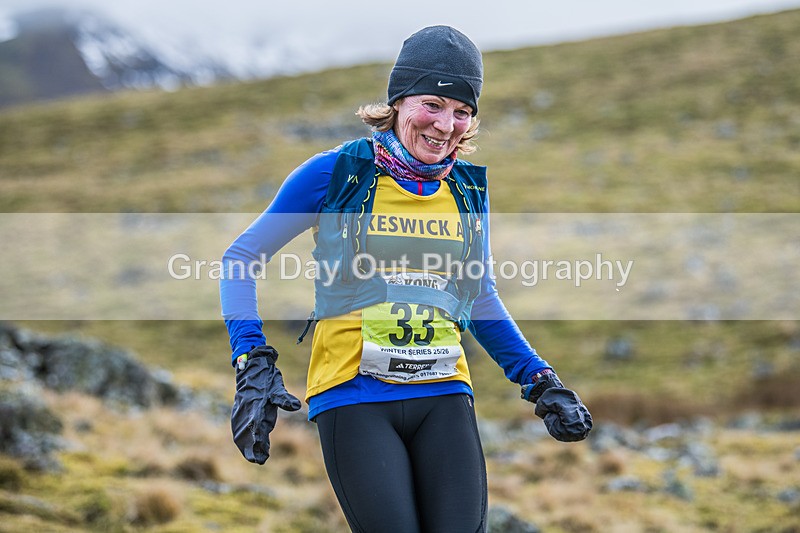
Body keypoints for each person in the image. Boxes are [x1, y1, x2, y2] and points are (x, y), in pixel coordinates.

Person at [221, 25, 592, 533]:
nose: (446, 124)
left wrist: (538, 377)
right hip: (353, 395)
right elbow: (241, 258)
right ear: (398, 102)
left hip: (444, 394)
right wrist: (251, 360)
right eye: (432, 104)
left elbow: (478, 296)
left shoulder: (466, 191)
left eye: (462, 111)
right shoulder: (337, 173)